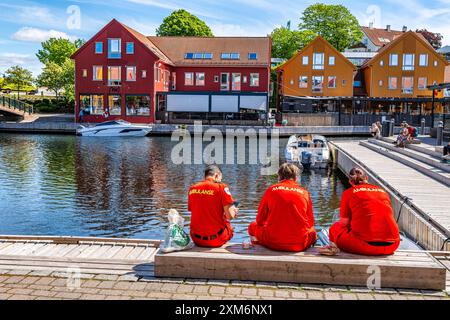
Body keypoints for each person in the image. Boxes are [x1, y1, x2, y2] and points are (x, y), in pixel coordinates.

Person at [319, 167, 400, 256]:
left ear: (350, 181)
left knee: (334, 228)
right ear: (367, 178)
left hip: (365, 246)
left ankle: (332, 248)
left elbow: (343, 223)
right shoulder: (383, 192)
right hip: (393, 245)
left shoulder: (348, 193)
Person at [248, 163, 317, 252]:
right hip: (300, 244)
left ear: (279, 177)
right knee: (313, 231)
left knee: (252, 226)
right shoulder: (304, 193)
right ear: (296, 178)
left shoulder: (271, 190)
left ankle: (258, 248)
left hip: (272, 242)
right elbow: (310, 223)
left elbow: (260, 220)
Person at [188, 165, 239, 248]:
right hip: (215, 240)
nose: (220, 181)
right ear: (217, 175)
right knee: (229, 226)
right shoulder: (221, 187)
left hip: (196, 239)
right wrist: (233, 211)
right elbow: (230, 216)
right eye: (220, 179)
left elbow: (197, 210)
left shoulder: (192, 188)